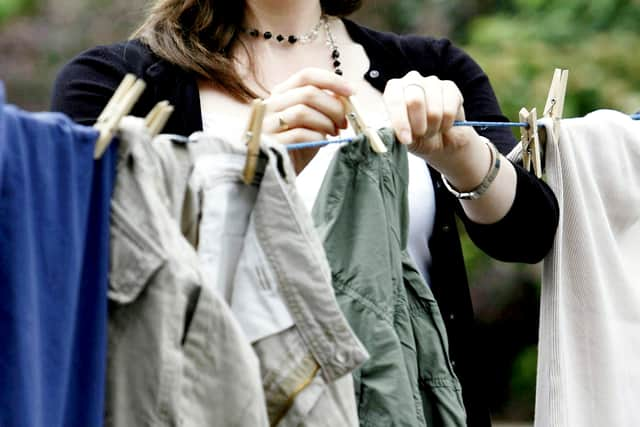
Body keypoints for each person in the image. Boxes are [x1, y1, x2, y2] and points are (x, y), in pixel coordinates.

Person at [51, 0, 559, 425]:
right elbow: (85, 266)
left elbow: (529, 235)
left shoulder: (431, 67)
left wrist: (461, 155)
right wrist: (245, 168)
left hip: (412, 403)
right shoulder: (115, 85)